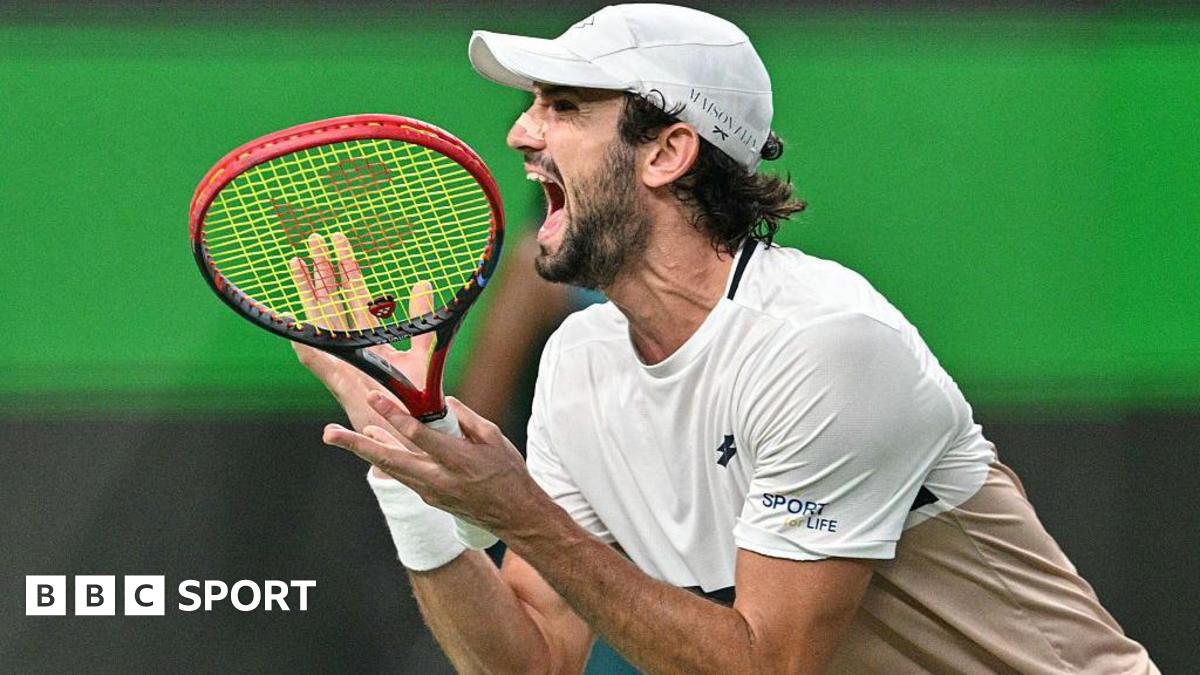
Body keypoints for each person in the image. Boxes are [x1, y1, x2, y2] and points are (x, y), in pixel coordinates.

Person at [303, 5, 1158, 673]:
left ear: (668, 152)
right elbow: (532, 660)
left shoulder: (823, 346)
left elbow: (765, 665)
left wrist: (517, 511)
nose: (521, 134)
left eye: (562, 107)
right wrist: (405, 458)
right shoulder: (579, 363)